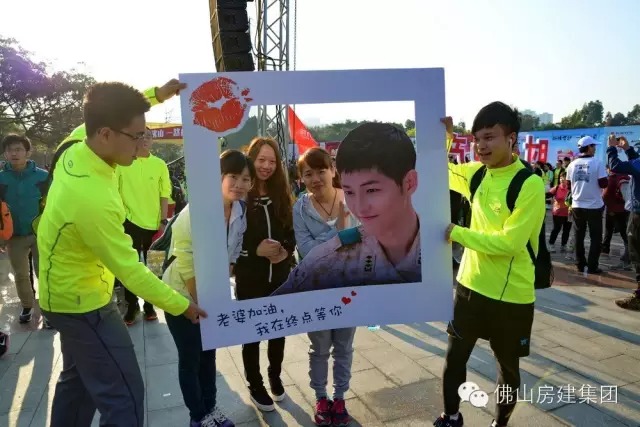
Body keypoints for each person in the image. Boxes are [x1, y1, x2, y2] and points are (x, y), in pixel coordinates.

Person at [37, 81, 206, 427]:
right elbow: (131, 271)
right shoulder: (91, 197)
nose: (143, 143)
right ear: (105, 134)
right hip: (83, 304)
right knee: (124, 396)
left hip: (62, 293)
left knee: (78, 383)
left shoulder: (76, 144)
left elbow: (110, 107)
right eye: (137, 136)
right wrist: (182, 305)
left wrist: (158, 95)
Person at [436, 103, 545, 427]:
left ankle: (500, 423)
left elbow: (510, 243)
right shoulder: (477, 174)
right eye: (476, 139)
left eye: (489, 137)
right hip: (469, 287)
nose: (481, 146)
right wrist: (446, 139)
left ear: (511, 138)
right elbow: (437, 171)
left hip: (511, 297)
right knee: (454, 358)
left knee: (507, 369)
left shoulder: (529, 183)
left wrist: (457, 233)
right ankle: (451, 416)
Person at [272, 122, 421, 296]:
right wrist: (339, 232)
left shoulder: (435, 246)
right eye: (350, 192)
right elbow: (281, 297)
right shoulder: (325, 255)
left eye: (371, 190)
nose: (360, 207)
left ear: (409, 183)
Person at [163, 149, 254, 427]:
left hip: (210, 294)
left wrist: (228, 270)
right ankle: (198, 416)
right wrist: (198, 302)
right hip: (182, 295)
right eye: (233, 176)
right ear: (219, 177)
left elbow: (235, 246)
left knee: (209, 354)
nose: (239, 184)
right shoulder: (196, 212)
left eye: (246, 179)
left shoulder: (239, 210)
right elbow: (184, 260)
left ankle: (211, 408)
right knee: (190, 358)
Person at [291, 147, 358, 427]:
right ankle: (321, 397)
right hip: (315, 289)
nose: (316, 178)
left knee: (344, 346)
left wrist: (342, 238)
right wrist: (340, 232)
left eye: (321, 171)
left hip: (348, 288)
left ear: (333, 170)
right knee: (318, 347)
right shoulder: (300, 208)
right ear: (301, 178)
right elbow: (307, 251)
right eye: (308, 174)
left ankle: (339, 397)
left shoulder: (353, 200)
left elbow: (362, 243)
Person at [233, 137, 295, 412]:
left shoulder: (282, 194)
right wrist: (254, 250)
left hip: (280, 277)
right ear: (251, 159)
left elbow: (292, 232)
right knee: (252, 333)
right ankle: (255, 384)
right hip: (250, 278)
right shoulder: (240, 196)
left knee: (278, 331)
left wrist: (286, 251)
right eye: (261, 160)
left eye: (272, 161)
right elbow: (231, 241)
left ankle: (275, 376)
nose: (267, 166)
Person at [116, 128, 172, 325]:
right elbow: (114, 191)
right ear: (135, 138)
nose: (146, 140)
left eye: (149, 136)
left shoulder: (159, 164)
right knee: (130, 267)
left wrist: (163, 221)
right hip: (128, 223)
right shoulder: (122, 163)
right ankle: (132, 306)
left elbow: (164, 194)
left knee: (154, 268)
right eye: (142, 136)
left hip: (155, 226)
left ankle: (149, 306)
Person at [0, 134, 48, 325]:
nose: (14, 153)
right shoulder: (1, 178)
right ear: (5, 154)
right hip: (14, 236)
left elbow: (54, 204)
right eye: (10, 150)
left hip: (40, 233)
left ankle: (47, 309)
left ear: (28, 152)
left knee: (43, 272)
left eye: (18, 149)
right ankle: (27, 306)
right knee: (20, 274)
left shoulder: (43, 177)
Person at [565, 136, 608, 274]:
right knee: (596, 237)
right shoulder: (597, 163)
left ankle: (579, 263)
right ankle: (592, 266)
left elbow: (568, 186)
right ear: (589, 147)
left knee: (579, 235)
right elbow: (604, 184)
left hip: (577, 205)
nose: (595, 149)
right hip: (594, 206)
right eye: (594, 146)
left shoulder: (572, 164)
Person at [606, 135, 640, 311]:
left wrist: (611, 148)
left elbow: (616, 166)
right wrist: (627, 149)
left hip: (638, 215)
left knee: (637, 253)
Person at [601, 167, 630, 269]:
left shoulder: (612, 178)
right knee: (625, 233)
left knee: (615, 232)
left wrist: (609, 208)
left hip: (614, 210)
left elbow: (605, 195)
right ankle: (627, 257)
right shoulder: (626, 176)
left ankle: (626, 260)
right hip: (625, 209)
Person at [547, 172, 572, 252]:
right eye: (561, 178)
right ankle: (551, 244)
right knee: (556, 229)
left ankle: (563, 245)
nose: (562, 179)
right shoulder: (557, 188)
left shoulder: (572, 188)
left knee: (566, 230)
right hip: (557, 212)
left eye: (564, 178)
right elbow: (547, 195)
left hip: (568, 213)